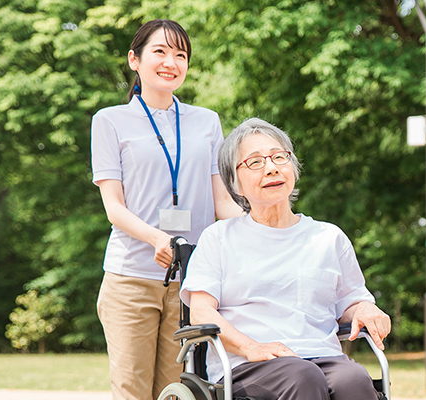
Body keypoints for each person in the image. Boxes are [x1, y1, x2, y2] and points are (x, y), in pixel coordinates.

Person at [180, 118, 392, 400]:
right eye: (255, 162)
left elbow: (351, 301)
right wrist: (251, 347)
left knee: (353, 380)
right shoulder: (218, 238)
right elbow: (201, 312)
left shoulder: (328, 237)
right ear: (235, 183)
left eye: (279, 157)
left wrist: (364, 308)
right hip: (249, 365)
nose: (271, 167)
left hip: (323, 357)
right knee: (303, 376)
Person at [90, 19, 243, 400]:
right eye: (159, 51)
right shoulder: (109, 121)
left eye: (180, 55)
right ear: (134, 59)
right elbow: (114, 208)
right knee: (133, 391)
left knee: (179, 392)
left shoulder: (206, 121)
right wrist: (159, 237)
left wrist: (268, 227)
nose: (170, 62)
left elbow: (222, 201)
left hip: (192, 281)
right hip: (130, 278)